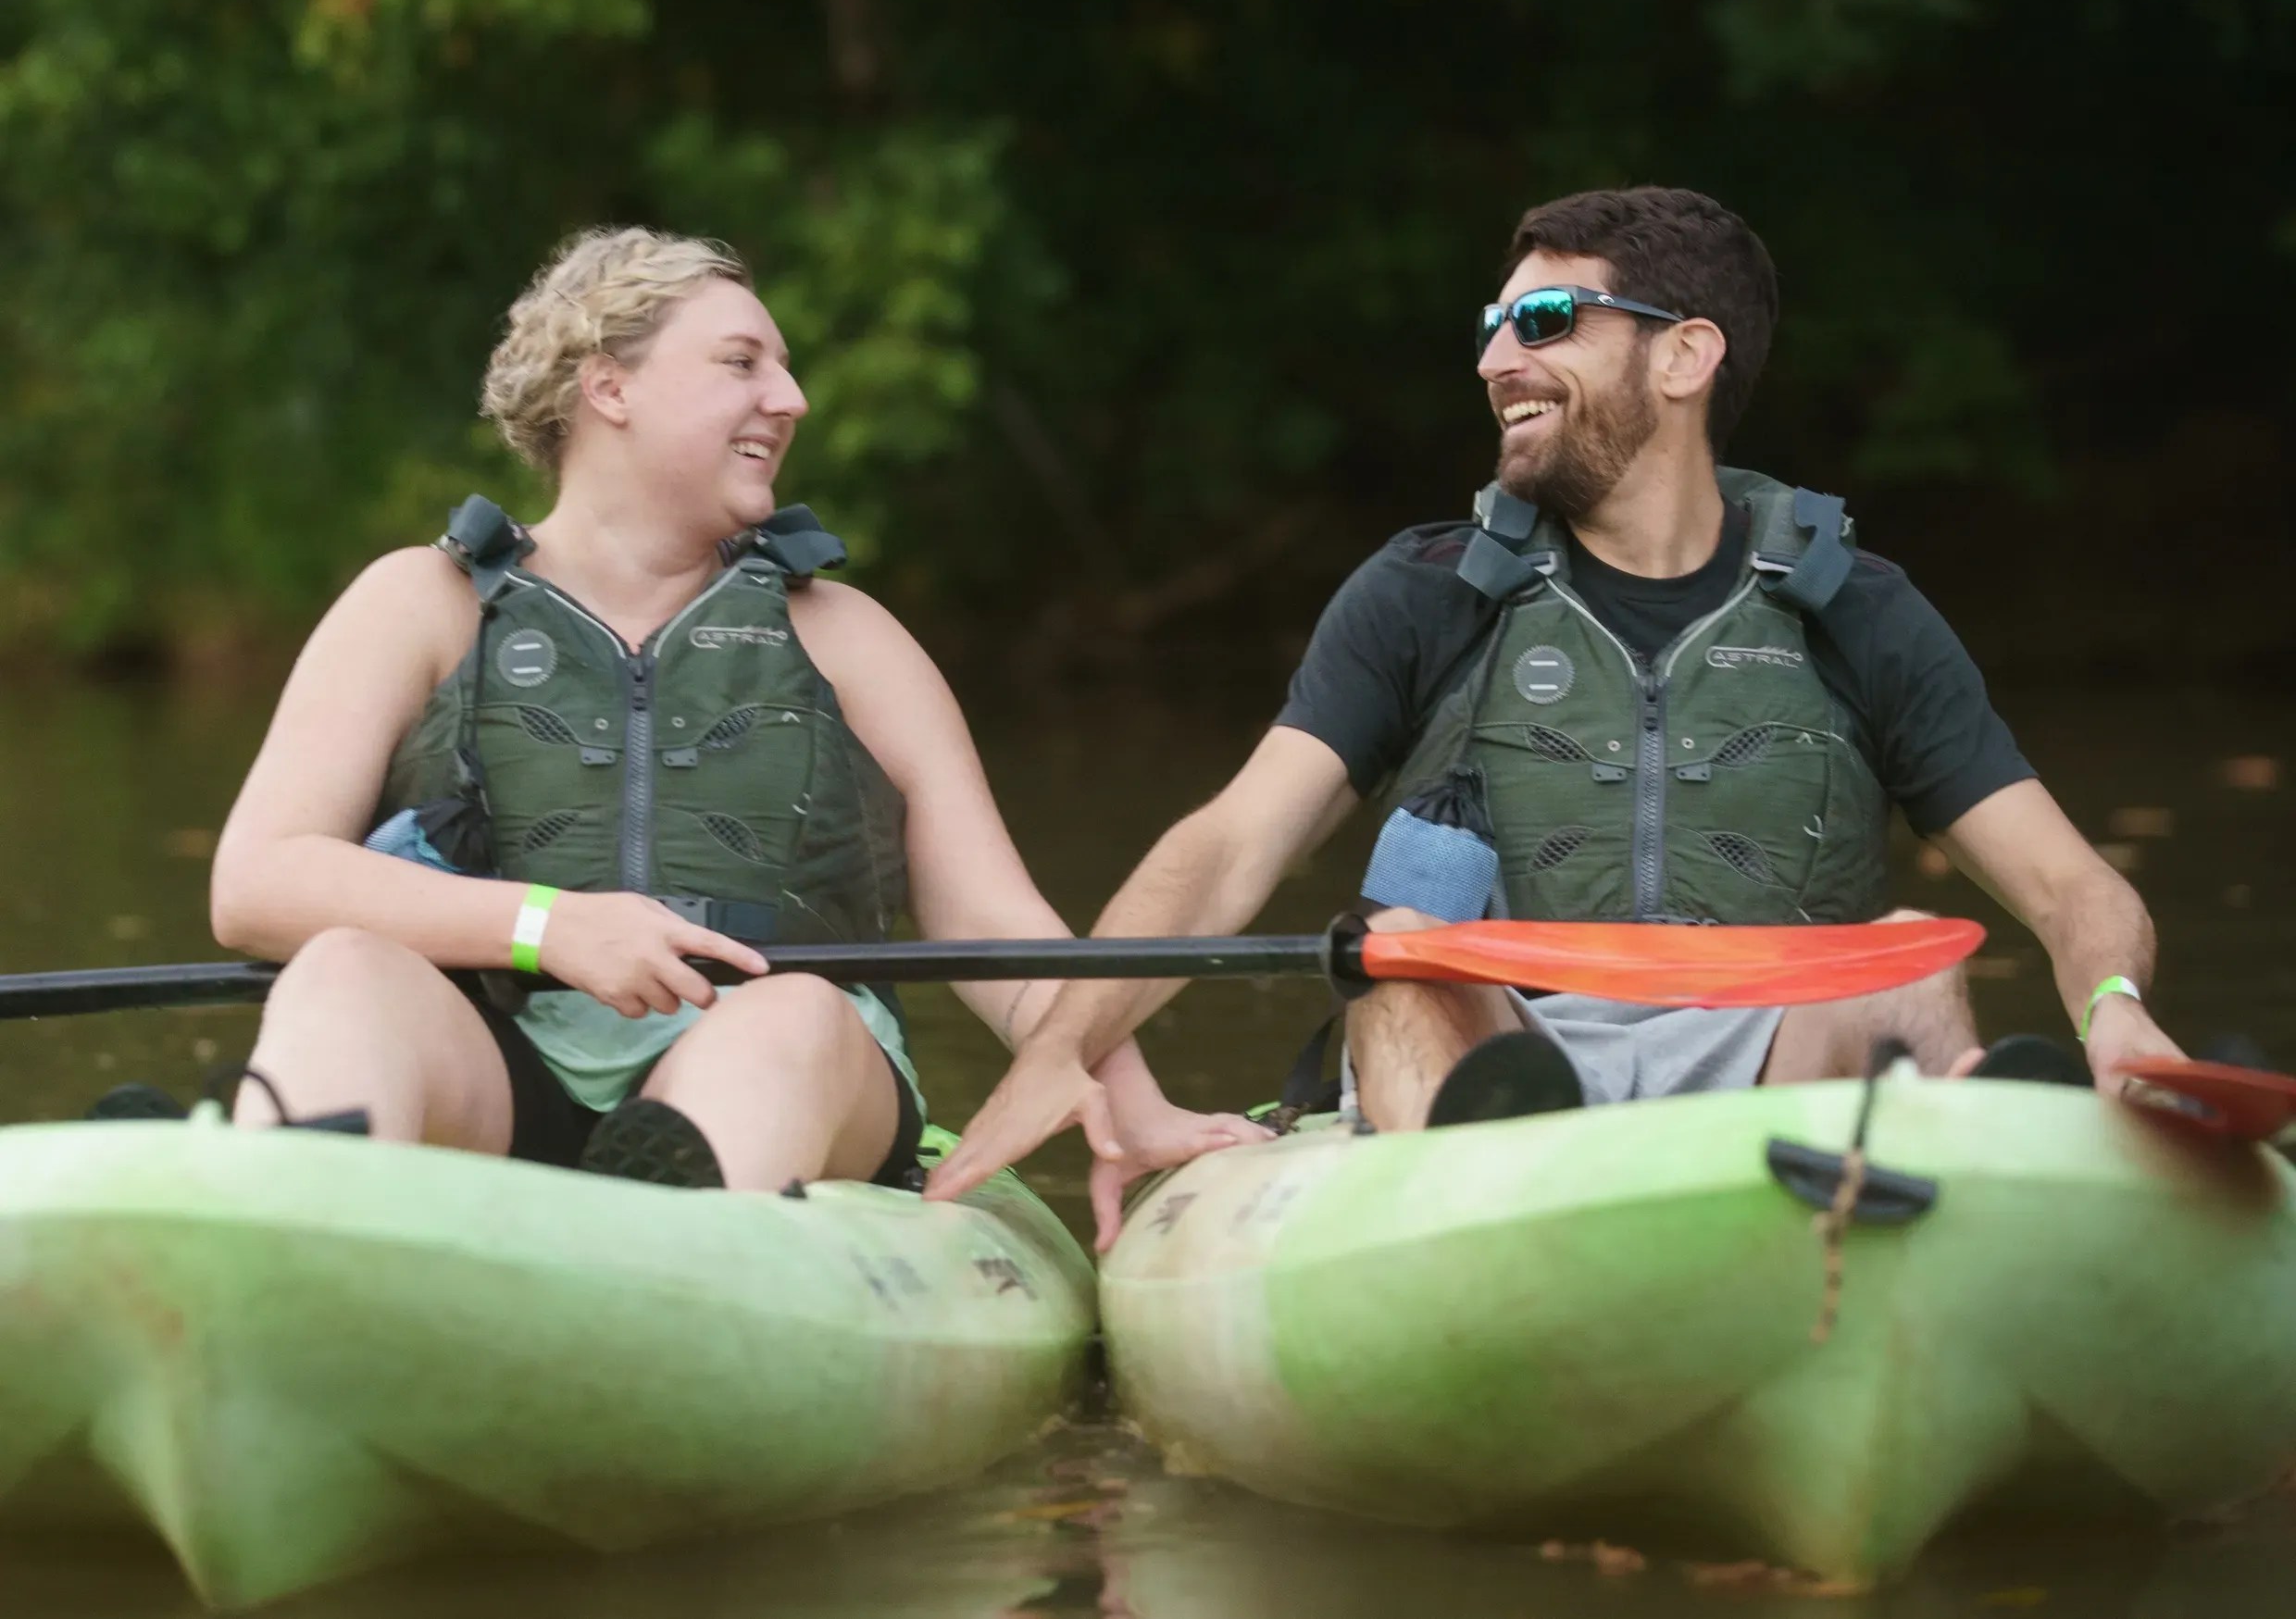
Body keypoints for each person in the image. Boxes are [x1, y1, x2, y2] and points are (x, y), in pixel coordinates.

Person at [929, 185, 2182, 1202]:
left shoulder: (1861, 609)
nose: (1491, 360)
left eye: (1544, 324)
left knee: (1904, 961)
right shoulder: (1422, 591)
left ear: (1686, 354)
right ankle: (1490, 1203)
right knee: (1401, 956)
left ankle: (1882, 1196)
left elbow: (2074, 887)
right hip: (1501, 1044)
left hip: (1769, 1058)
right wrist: (1060, 1048)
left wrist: (2114, 1010)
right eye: (1493, 324)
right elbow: (1229, 844)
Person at [174, 226, 1255, 1224]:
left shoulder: (846, 636)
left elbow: (994, 922)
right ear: (609, 386)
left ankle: (678, 1277)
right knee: (343, 969)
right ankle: (272, 1227)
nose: (788, 398)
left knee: (789, 1014)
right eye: (742, 363)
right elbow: (260, 881)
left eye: (780, 368)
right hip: (502, 1064)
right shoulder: (421, 603)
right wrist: (552, 925)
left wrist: (1127, 1094)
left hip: (780, 1073)